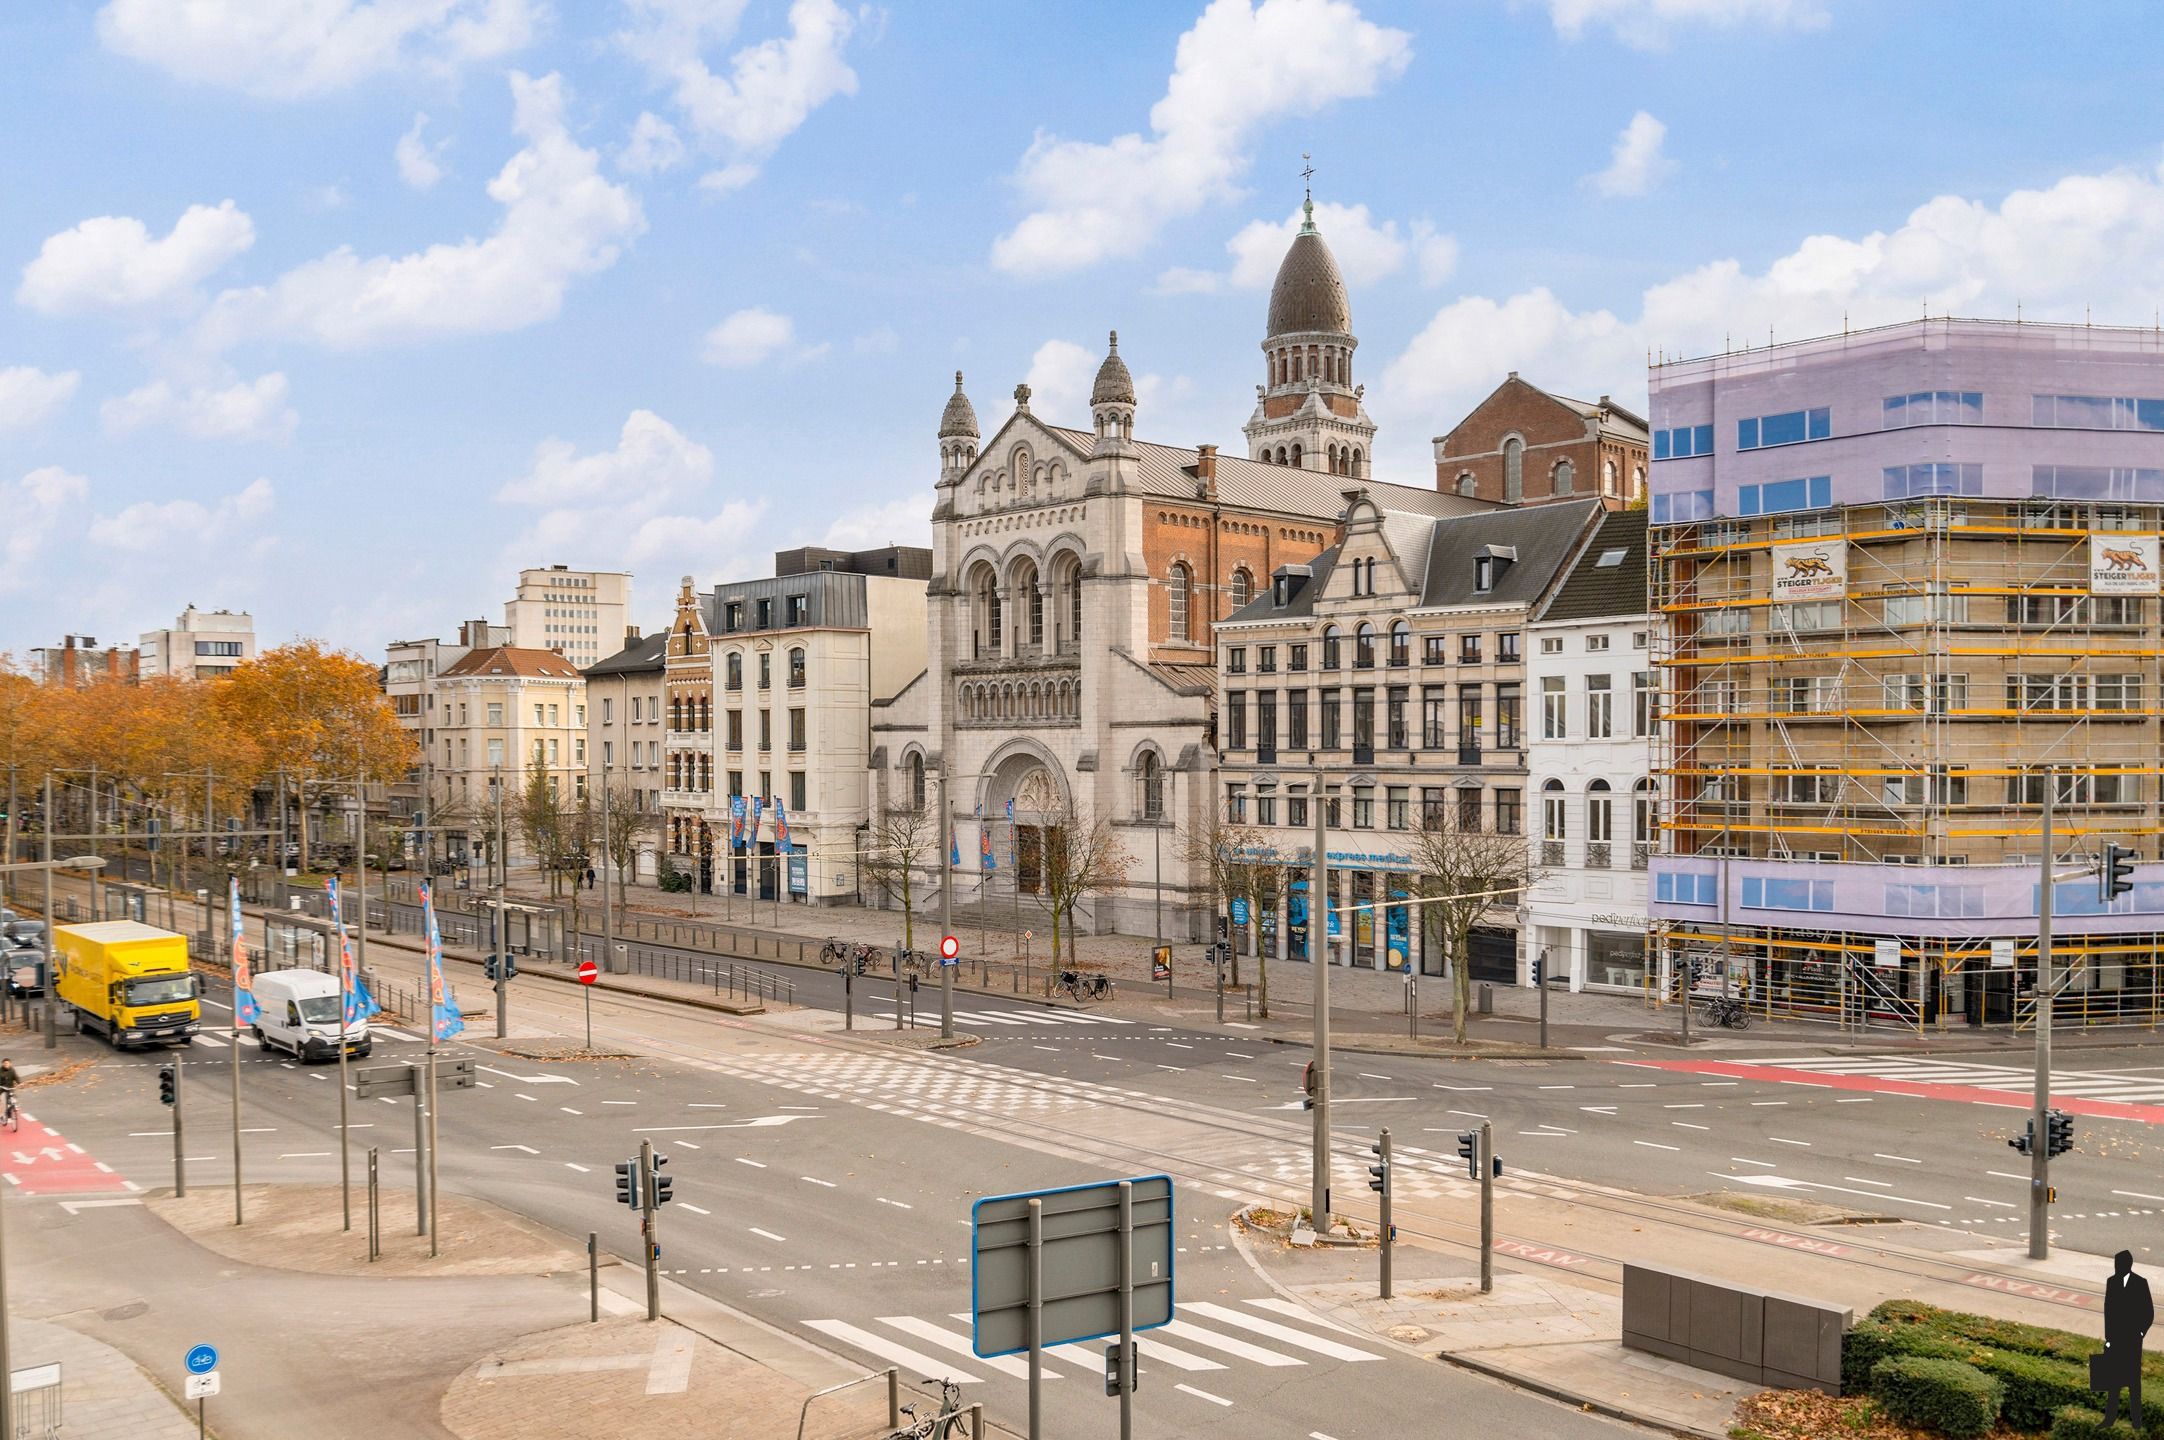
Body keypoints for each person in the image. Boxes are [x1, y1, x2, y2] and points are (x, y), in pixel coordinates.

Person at [2100, 1249, 2152, 1428]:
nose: (2116, 1267)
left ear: (2127, 1265)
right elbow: (2108, 1312)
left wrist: (2140, 1333)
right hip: (2115, 1340)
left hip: (2132, 1341)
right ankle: (2109, 1419)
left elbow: (2149, 1312)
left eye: (2119, 1264)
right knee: (2113, 1381)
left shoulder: (2140, 1283)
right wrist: (2108, 1338)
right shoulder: (2111, 1282)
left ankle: (2136, 1421)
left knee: (2133, 1383)